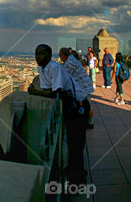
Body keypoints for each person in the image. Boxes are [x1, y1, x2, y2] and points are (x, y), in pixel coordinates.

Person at [29, 44, 86, 184]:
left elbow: (56, 92)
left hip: (77, 105)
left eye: (42, 54)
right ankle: (72, 174)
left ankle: (78, 178)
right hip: (66, 105)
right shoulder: (41, 68)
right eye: (36, 54)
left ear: (49, 55)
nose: (38, 57)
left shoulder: (55, 68)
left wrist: (35, 92)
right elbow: (47, 89)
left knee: (75, 143)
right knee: (68, 141)